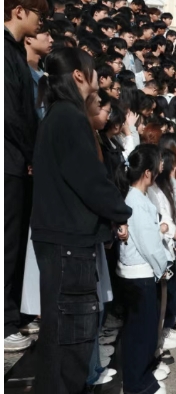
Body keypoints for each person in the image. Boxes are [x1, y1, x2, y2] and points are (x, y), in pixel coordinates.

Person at [30, 48, 133, 393]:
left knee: (63, 340)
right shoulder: (69, 118)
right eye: (92, 70)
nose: (97, 77)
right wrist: (121, 212)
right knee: (70, 341)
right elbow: (90, 180)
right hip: (68, 243)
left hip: (63, 239)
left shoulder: (60, 115)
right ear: (78, 75)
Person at [4, 0, 49, 351]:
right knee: (7, 242)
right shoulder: (5, 52)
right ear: (19, 11)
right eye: (38, 14)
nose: (41, 22)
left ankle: (13, 316)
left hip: (17, 161)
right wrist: (32, 153)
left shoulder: (13, 52)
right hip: (10, 160)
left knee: (15, 241)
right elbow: (11, 114)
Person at [116, 145, 175, 393]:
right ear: (148, 173)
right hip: (139, 275)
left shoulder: (136, 197)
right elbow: (149, 244)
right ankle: (137, 384)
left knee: (141, 330)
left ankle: (141, 377)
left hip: (138, 273)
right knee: (141, 333)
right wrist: (163, 266)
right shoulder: (136, 200)